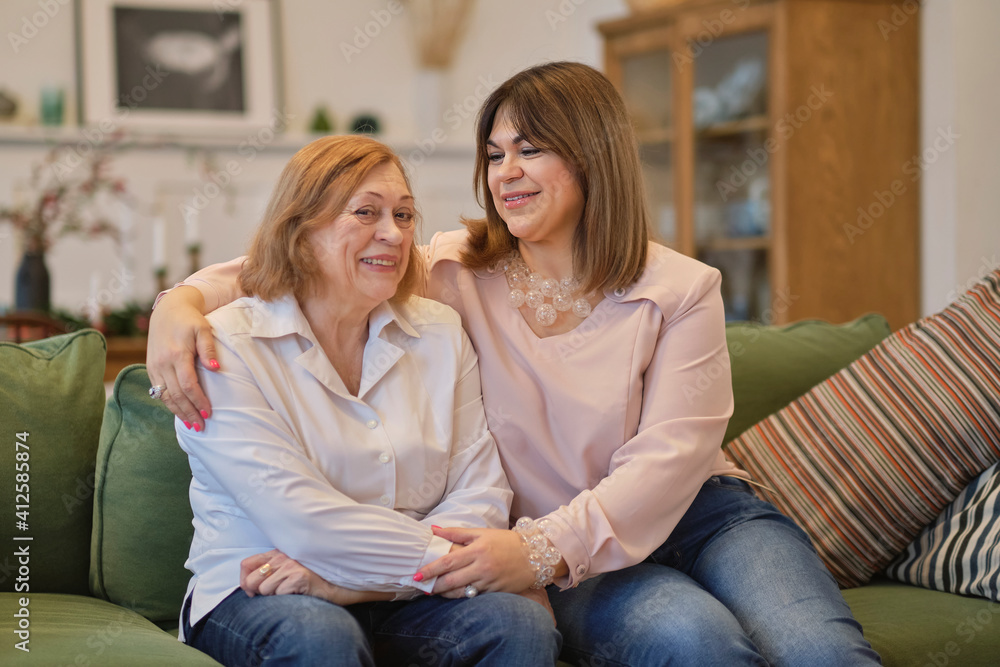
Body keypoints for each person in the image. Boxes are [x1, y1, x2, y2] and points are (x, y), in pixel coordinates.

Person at [150, 62, 880, 666]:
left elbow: (668, 461)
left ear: (591, 155)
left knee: (822, 652)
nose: (506, 173)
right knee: (695, 642)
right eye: (494, 155)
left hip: (694, 515)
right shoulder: (453, 268)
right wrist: (177, 303)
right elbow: (301, 258)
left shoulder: (681, 288)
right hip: (562, 547)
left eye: (530, 149)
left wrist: (528, 553)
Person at [168, 134, 560, 667]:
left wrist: (358, 585)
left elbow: (480, 493)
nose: (393, 234)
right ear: (301, 230)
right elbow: (305, 523)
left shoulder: (441, 332)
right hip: (257, 585)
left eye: (403, 215)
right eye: (366, 212)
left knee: (519, 623)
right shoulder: (226, 347)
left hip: (402, 596)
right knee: (320, 636)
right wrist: (469, 564)